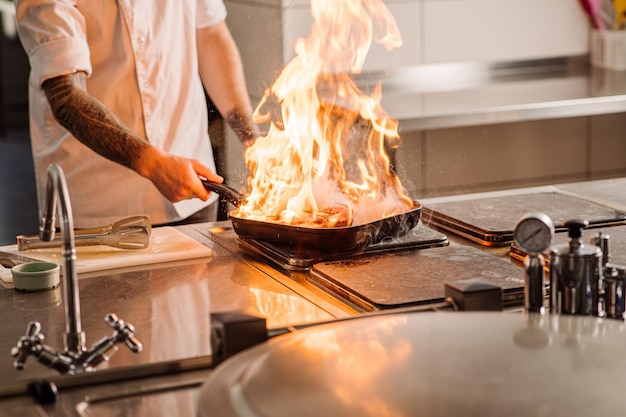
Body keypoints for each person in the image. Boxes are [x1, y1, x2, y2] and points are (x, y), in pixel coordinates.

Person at [14, 0, 257, 228]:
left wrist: (253, 140)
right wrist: (152, 163)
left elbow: (210, 34)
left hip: (195, 189)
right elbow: (65, 95)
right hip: (96, 208)